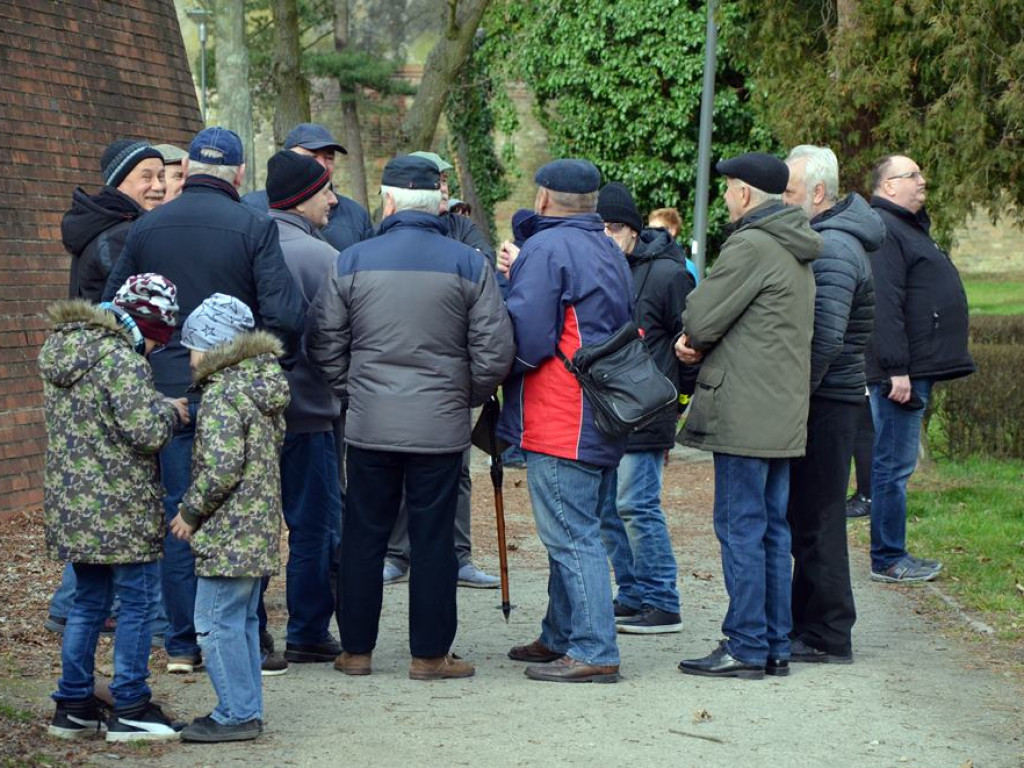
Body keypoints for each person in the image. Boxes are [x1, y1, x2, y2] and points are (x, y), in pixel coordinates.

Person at [103, 126, 304, 675]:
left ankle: (183, 643)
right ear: (240, 175)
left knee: (178, 511)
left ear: (185, 170)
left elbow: (112, 309)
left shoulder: (146, 228)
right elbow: (285, 315)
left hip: (166, 388)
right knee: (239, 507)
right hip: (230, 390)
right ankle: (251, 639)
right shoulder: (255, 228)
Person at [307, 155, 513, 680]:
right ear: (438, 204)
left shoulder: (351, 259)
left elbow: (324, 340)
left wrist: (352, 391)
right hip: (439, 428)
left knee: (362, 535)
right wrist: (461, 396)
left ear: (389, 201)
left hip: (372, 422)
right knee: (434, 539)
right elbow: (493, 350)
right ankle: (428, 655)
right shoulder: (469, 263)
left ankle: (356, 650)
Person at [675, 152, 820, 680]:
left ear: (742, 194)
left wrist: (692, 339)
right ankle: (773, 643)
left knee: (740, 528)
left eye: (728, 190)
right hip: (781, 412)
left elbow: (700, 313)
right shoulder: (796, 246)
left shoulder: (752, 245)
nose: (726, 199)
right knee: (771, 532)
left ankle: (745, 644)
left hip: (745, 413)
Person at [497, 159, 632, 683]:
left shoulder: (547, 249)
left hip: (562, 412)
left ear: (544, 199)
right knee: (578, 528)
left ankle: (594, 647)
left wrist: (495, 368)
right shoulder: (606, 244)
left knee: (571, 536)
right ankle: (560, 634)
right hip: (603, 408)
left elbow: (529, 338)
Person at [41, 273, 187, 742]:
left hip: (76, 506)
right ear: (148, 327)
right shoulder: (121, 360)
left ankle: (75, 704)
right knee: (139, 604)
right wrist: (171, 411)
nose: (154, 352)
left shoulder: (68, 350)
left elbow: (102, 417)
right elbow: (145, 432)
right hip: (120, 507)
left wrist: (149, 403)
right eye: (157, 342)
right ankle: (130, 705)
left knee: (87, 603)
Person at [169, 295, 289, 743]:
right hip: (255, 526)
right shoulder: (262, 388)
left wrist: (189, 512)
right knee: (242, 621)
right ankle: (246, 707)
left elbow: (221, 465)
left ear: (216, 347)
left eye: (195, 347)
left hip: (228, 531)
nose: (191, 358)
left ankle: (235, 713)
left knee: (214, 621)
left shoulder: (222, 394)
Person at [382, 149, 501, 589]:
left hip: (451, 375)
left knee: (459, 470)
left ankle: (459, 555)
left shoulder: (463, 227)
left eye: (447, 180)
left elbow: (485, 272)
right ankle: (397, 554)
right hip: (396, 373)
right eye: (438, 180)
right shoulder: (390, 233)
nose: (444, 187)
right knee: (394, 467)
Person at [783, 145, 880, 664]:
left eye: (791, 191)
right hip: (828, 396)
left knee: (818, 519)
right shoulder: (830, 239)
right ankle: (812, 625)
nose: (783, 199)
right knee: (811, 516)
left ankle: (827, 633)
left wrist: (795, 398)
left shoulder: (835, 248)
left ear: (818, 194)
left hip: (827, 400)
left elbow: (823, 339)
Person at [865, 155, 975, 582]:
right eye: (912, 175)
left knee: (896, 464)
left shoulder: (907, 227)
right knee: (892, 466)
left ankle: (891, 553)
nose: (922, 181)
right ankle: (888, 558)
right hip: (900, 373)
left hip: (913, 367)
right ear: (889, 186)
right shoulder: (885, 230)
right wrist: (896, 368)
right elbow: (884, 303)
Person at [595, 182, 695, 634]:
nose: (606, 236)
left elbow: (693, 340)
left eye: (614, 227)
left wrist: (681, 400)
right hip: (607, 409)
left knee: (637, 504)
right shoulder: (599, 268)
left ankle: (662, 599)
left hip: (650, 407)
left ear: (633, 230)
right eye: (598, 228)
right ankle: (634, 593)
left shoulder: (669, 275)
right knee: (609, 510)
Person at [264, 150, 344, 668]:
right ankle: (308, 629)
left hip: (249, 415)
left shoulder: (249, 243)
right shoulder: (322, 257)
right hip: (310, 411)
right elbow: (336, 340)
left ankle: (249, 629)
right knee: (314, 525)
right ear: (299, 200)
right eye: (324, 192)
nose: (333, 200)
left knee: (250, 523)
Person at [243, 122, 373, 254]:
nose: (322, 165)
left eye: (329, 158)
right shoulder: (251, 208)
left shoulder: (356, 215)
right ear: (287, 158)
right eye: (311, 157)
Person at [63, 139, 165, 302]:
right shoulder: (122, 235)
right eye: (147, 177)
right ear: (119, 183)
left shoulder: (107, 223)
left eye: (161, 177)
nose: (159, 186)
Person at [648, 206, 699, 284]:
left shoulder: (687, 266)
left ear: (672, 230)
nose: (650, 233)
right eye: (649, 229)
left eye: (656, 229)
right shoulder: (648, 259)